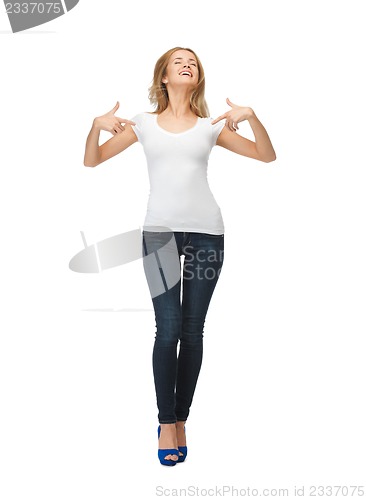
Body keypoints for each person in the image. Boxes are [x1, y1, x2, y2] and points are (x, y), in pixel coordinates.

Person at [83, 46, 276, 466]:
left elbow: (266, 155)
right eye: (178, 61)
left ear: (197, 77)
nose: (188, 64)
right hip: (159, 236)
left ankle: (182, 419)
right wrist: (95, 127)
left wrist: (253, 117)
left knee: (193, 332)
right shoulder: (143, 124)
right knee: (167, 330)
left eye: (193, 61)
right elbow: (92, 161)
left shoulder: (210, 127)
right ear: (164, 77)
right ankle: (165, 422)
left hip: (208, 234)